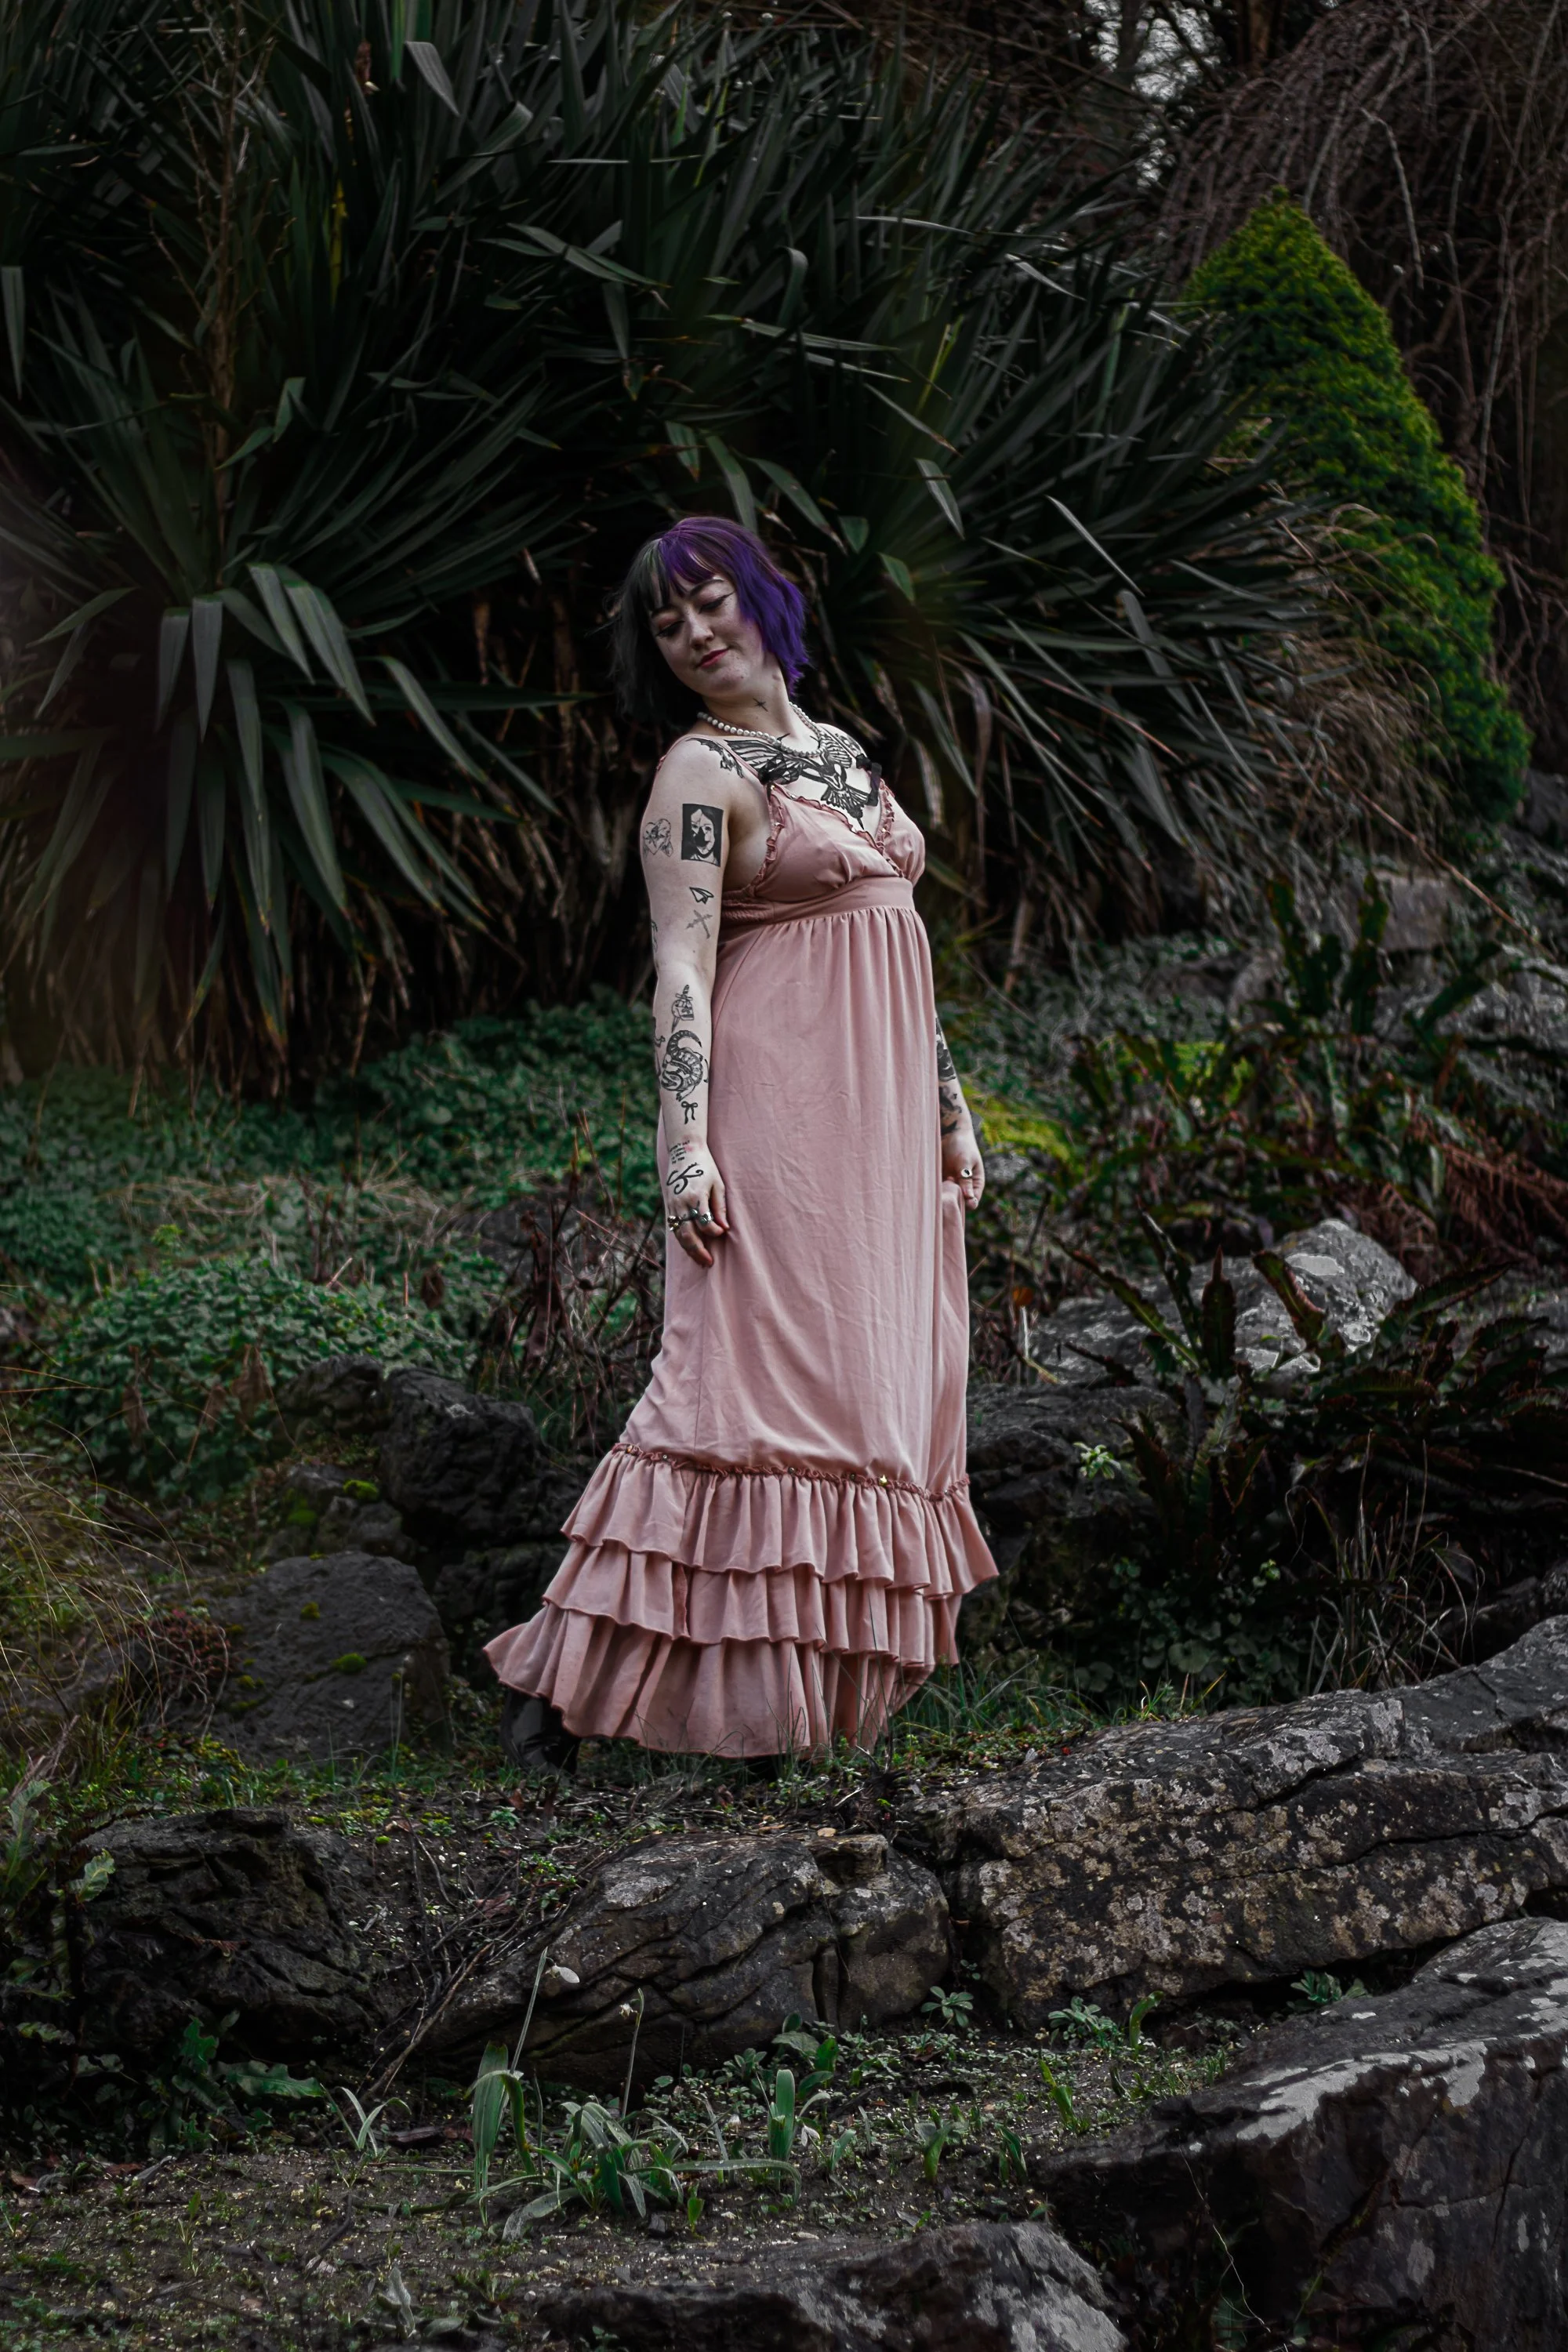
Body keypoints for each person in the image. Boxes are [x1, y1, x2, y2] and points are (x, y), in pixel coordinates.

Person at [485, 516, 996, 1765]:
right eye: (668, 625)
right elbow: (681, 969)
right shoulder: (697, 777)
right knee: (740, 1390)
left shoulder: (845, 755)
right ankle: (569, 1707)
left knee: (867, 1398)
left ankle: (801, 1714)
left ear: (763, 597)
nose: (696, 634)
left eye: (710, 601)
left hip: (879, 1124)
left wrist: (948, 1102)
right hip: (774, 1112)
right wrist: (683, 1143)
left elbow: (898, 938)